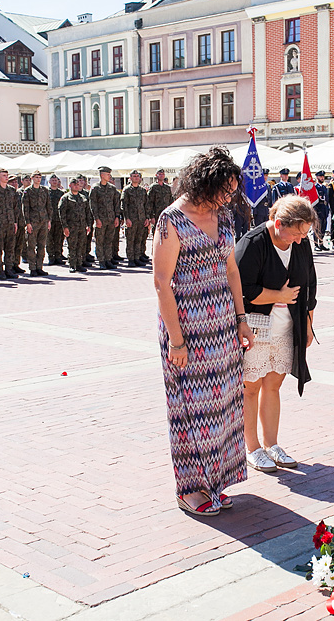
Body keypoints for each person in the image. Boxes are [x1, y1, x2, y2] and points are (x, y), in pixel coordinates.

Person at [153, 147, 255, 516]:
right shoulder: (171, 220)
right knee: (190, 409)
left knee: (224, 407)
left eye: (231, 191)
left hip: (223, 326)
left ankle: (215, 481)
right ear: (202, 183)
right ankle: (190, 488)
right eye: (222, 190)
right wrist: (176, 340)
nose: (228, 198)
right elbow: (162, 283)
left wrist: (241, 318)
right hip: (187, 329)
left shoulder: (223, 216)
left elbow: (231, 270)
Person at [235, 195, 317, 473]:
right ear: (278, 222)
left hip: (286, 326)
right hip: (256, 326)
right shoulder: (253, 243)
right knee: (251, 387)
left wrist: (307, 323)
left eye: (304, 233)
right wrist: (277, 295)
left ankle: (272, 444)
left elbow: (310, 285)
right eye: (295, 232)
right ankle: (252, 447)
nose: (299, 239)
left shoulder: (302, 242)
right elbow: (241, 290)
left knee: (273, 384)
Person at [22, 172, 53, 276]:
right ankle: (32, 268)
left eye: (39, 177)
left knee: (41, 245)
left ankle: (39, 267)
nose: (38, 179)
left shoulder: (44, 190)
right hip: (33, 222)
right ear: (32, 178)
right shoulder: (28, 191)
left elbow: (49, 206)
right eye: (36, 177)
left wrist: (49, 220)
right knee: (31, 246)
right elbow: (25, 209)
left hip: (43, 221)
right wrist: (27, 223)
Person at [90, 166, 120, 270]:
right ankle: (101, 261)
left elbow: (116, 204)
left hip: (111, 219)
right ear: (102, 175)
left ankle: (108, 259)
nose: (109, 176)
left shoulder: (112, 188)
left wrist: (117, 217)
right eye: (107, 174)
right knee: (100, 240)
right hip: (101, 219)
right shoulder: (95, 188)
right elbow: (93, 205)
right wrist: (96, 219)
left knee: (109, 240)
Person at [59, 177, 92, 273]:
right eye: (74, 184)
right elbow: (62, 214)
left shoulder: (83, 198)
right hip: (71, 226)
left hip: (82, 226)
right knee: (72, 246)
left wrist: (88, 225)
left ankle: (79, 264)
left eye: (78, 184)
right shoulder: (66, 198)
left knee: (81, 246)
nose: (76, 186)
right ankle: (72, 264)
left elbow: (87, 212)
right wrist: (65, 227)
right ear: (70, 186)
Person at [123, 170, 151, 267]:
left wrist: (147, 218)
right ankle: (131, 259)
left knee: (139, 239)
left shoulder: (142, 191)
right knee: (130, 240)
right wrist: (126, 218)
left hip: (141, 219)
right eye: (134, 176)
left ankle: (137, 258)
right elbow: (124, 206)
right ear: (130, 178)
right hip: (131, 219)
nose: (136, 177)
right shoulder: (127, 190)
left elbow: (146, 205)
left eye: (137, 176)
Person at [312, 171, 330, 251]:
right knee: (317, 228)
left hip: (324, 209)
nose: (322, 178)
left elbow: (326, 199)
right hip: (318, 209)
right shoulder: (315, 187)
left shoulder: (324, 187)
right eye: (320, 177)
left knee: (323, 227)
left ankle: (321, 243)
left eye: (323, 177)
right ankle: (316, 244)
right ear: (317, 177)